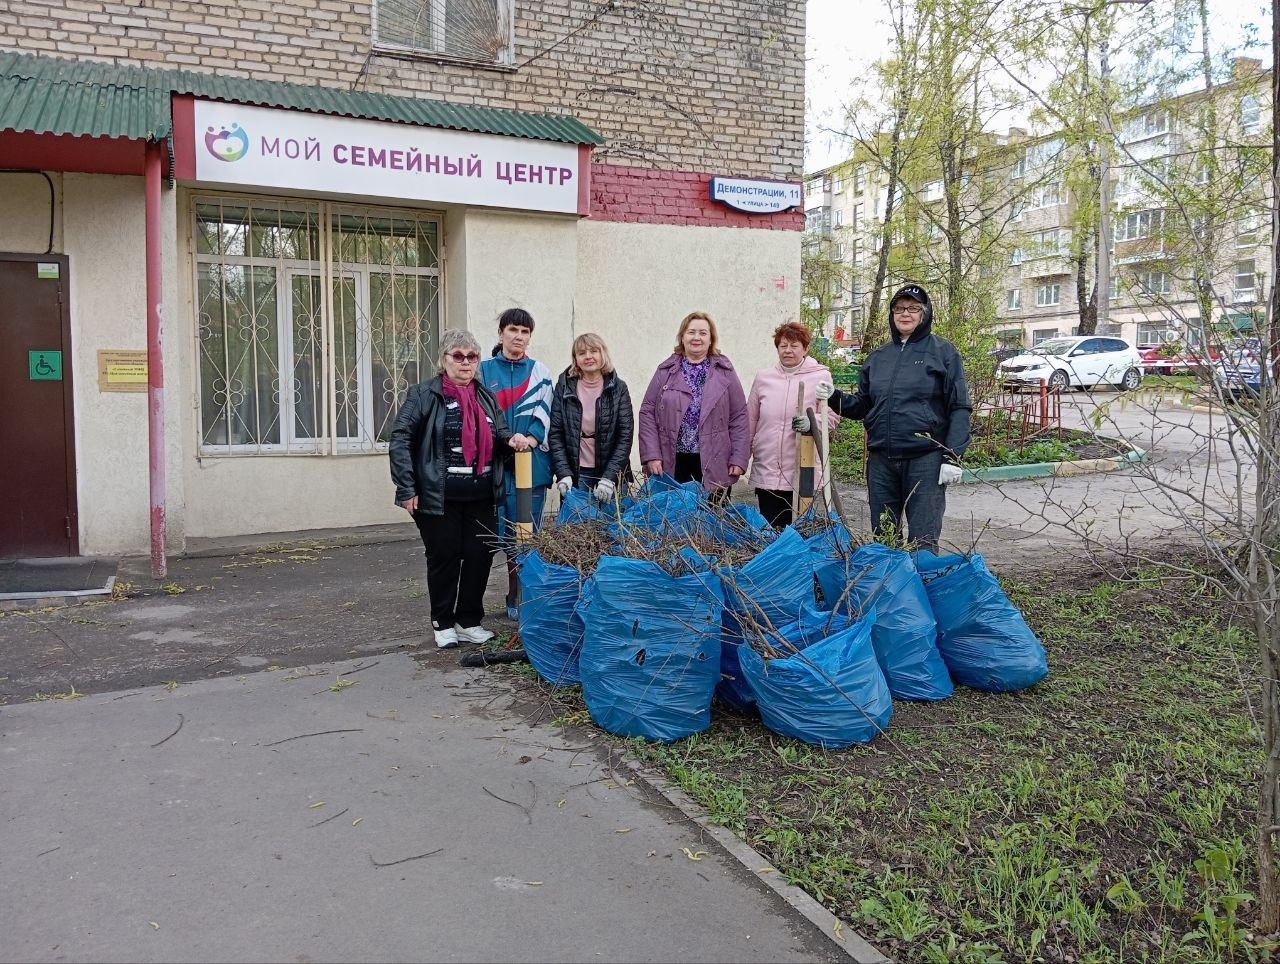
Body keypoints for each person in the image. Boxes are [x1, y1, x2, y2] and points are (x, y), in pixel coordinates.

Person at [796, 283, 971, 553]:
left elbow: (959, 406)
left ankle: (921, 589)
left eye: (913, 308)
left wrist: (952, 457)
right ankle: (889, 589)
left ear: (924, 314)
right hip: (882, 460)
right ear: (892, 314)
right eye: (899, 308)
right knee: (884, 536)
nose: (906, 314)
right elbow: (864, 406)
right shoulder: (878, 357)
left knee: (923, 539)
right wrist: (834, 396)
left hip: (925, 458)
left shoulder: (943, 353)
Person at [389, 330, 512, 649]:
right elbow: (401, 439)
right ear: (444, 360)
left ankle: (469, 620)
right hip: (437, 494)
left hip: (482, 495)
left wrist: (512, 441)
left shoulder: (485, 396)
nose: (466, 362)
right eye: (458, 356)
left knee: (480, 555)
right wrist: (407, 487)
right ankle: (442, 622)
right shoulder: (424, 395)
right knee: (444, 556)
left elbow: (499, 435)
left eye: (472, 356)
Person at [478, 308, 554, 620]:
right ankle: (471, 607)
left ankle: (520, 594)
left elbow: (546, 415)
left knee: (525, 537)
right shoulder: (482, 371)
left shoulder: (541, 372)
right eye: (513, 330)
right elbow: (479, 416)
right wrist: (504, 440)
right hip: (493, 469)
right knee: (489, 538)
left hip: (530, 468)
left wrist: (530, 440)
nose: (518, 337)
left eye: (525, 332)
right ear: (501, 333)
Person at [637, 310, 749, 505]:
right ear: (682, 336)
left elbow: (739, 416)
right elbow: (647, 412)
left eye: (703, 333)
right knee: (674, 521)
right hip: (672, 461)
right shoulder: (665, 371)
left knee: (713, 522)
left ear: (711, 339)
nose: (696, 337)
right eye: (691, 332)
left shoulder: (725, 372)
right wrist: (652, 455)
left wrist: (739, 458)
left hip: (714, 461)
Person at [745, 321, 840, 529]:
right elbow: (750, 419)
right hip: (767, 464)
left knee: (797, 529)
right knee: (769, 529)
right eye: (783, 345)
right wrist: (742, 456)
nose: (788, 350)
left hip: (801, 465)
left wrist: (812, 422)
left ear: (805, 348)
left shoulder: (821, 376)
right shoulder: (764, 378)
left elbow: (832, 416)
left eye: (794, 345)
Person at [549, 333, 635, 502]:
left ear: (603, 354)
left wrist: (610, 477)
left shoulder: (619, 388)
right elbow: (555, 433)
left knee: (613, 523)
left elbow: (625, 436)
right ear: (575, 358)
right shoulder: (564, 386)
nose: (588, 356)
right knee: (578, 526)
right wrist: (563, 473)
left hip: (611, 471)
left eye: (593, 351)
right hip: (576, 471)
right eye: (582, 353)